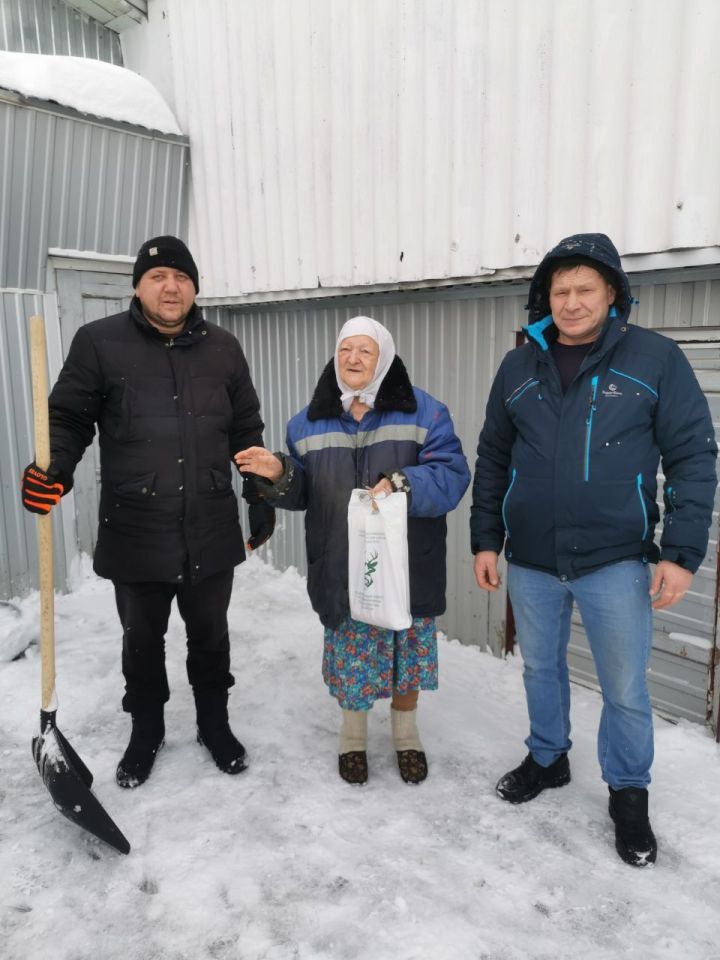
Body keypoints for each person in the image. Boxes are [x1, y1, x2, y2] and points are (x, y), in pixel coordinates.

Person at [470, 232, 717, 866]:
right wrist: (485, 539)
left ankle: (628, 793)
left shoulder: (654, 359)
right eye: (560, 290)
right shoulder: (519, 365)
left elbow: (693, 457)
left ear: (612, 293)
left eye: (585, 289)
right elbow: (494, 456)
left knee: (625, 686)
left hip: (616, 559)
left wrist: (680, 553)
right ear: (544, 297)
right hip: (530, 557)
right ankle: (548, 758)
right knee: (539, 667)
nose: (572, 302)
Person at [21, 236, 275, 788]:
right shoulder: (99, 344)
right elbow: (67, 419)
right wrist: (53, 472)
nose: (170, 286)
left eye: (181, 277)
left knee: (211, 635)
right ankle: (146, 729)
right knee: (142, 640)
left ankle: (214, 724)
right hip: (137, 529)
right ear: (137, 286)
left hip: (208, 523)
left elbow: (246, 428)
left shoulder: (224, 349)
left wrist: (257, 491)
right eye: (158, 276)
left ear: (195, 287)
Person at [236, 316, 470, 785]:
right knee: (352, 663)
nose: (353, 359)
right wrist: (278, 473)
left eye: (364, 350)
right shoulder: (305, 423)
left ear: (383, 357)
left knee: (406, 661)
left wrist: (404, 483)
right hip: (344, 565)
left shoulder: (426, 413)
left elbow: (452, 475)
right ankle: (352, 740)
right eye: (345, 350)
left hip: (406, 568)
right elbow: (305, 491)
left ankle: (406, 737)